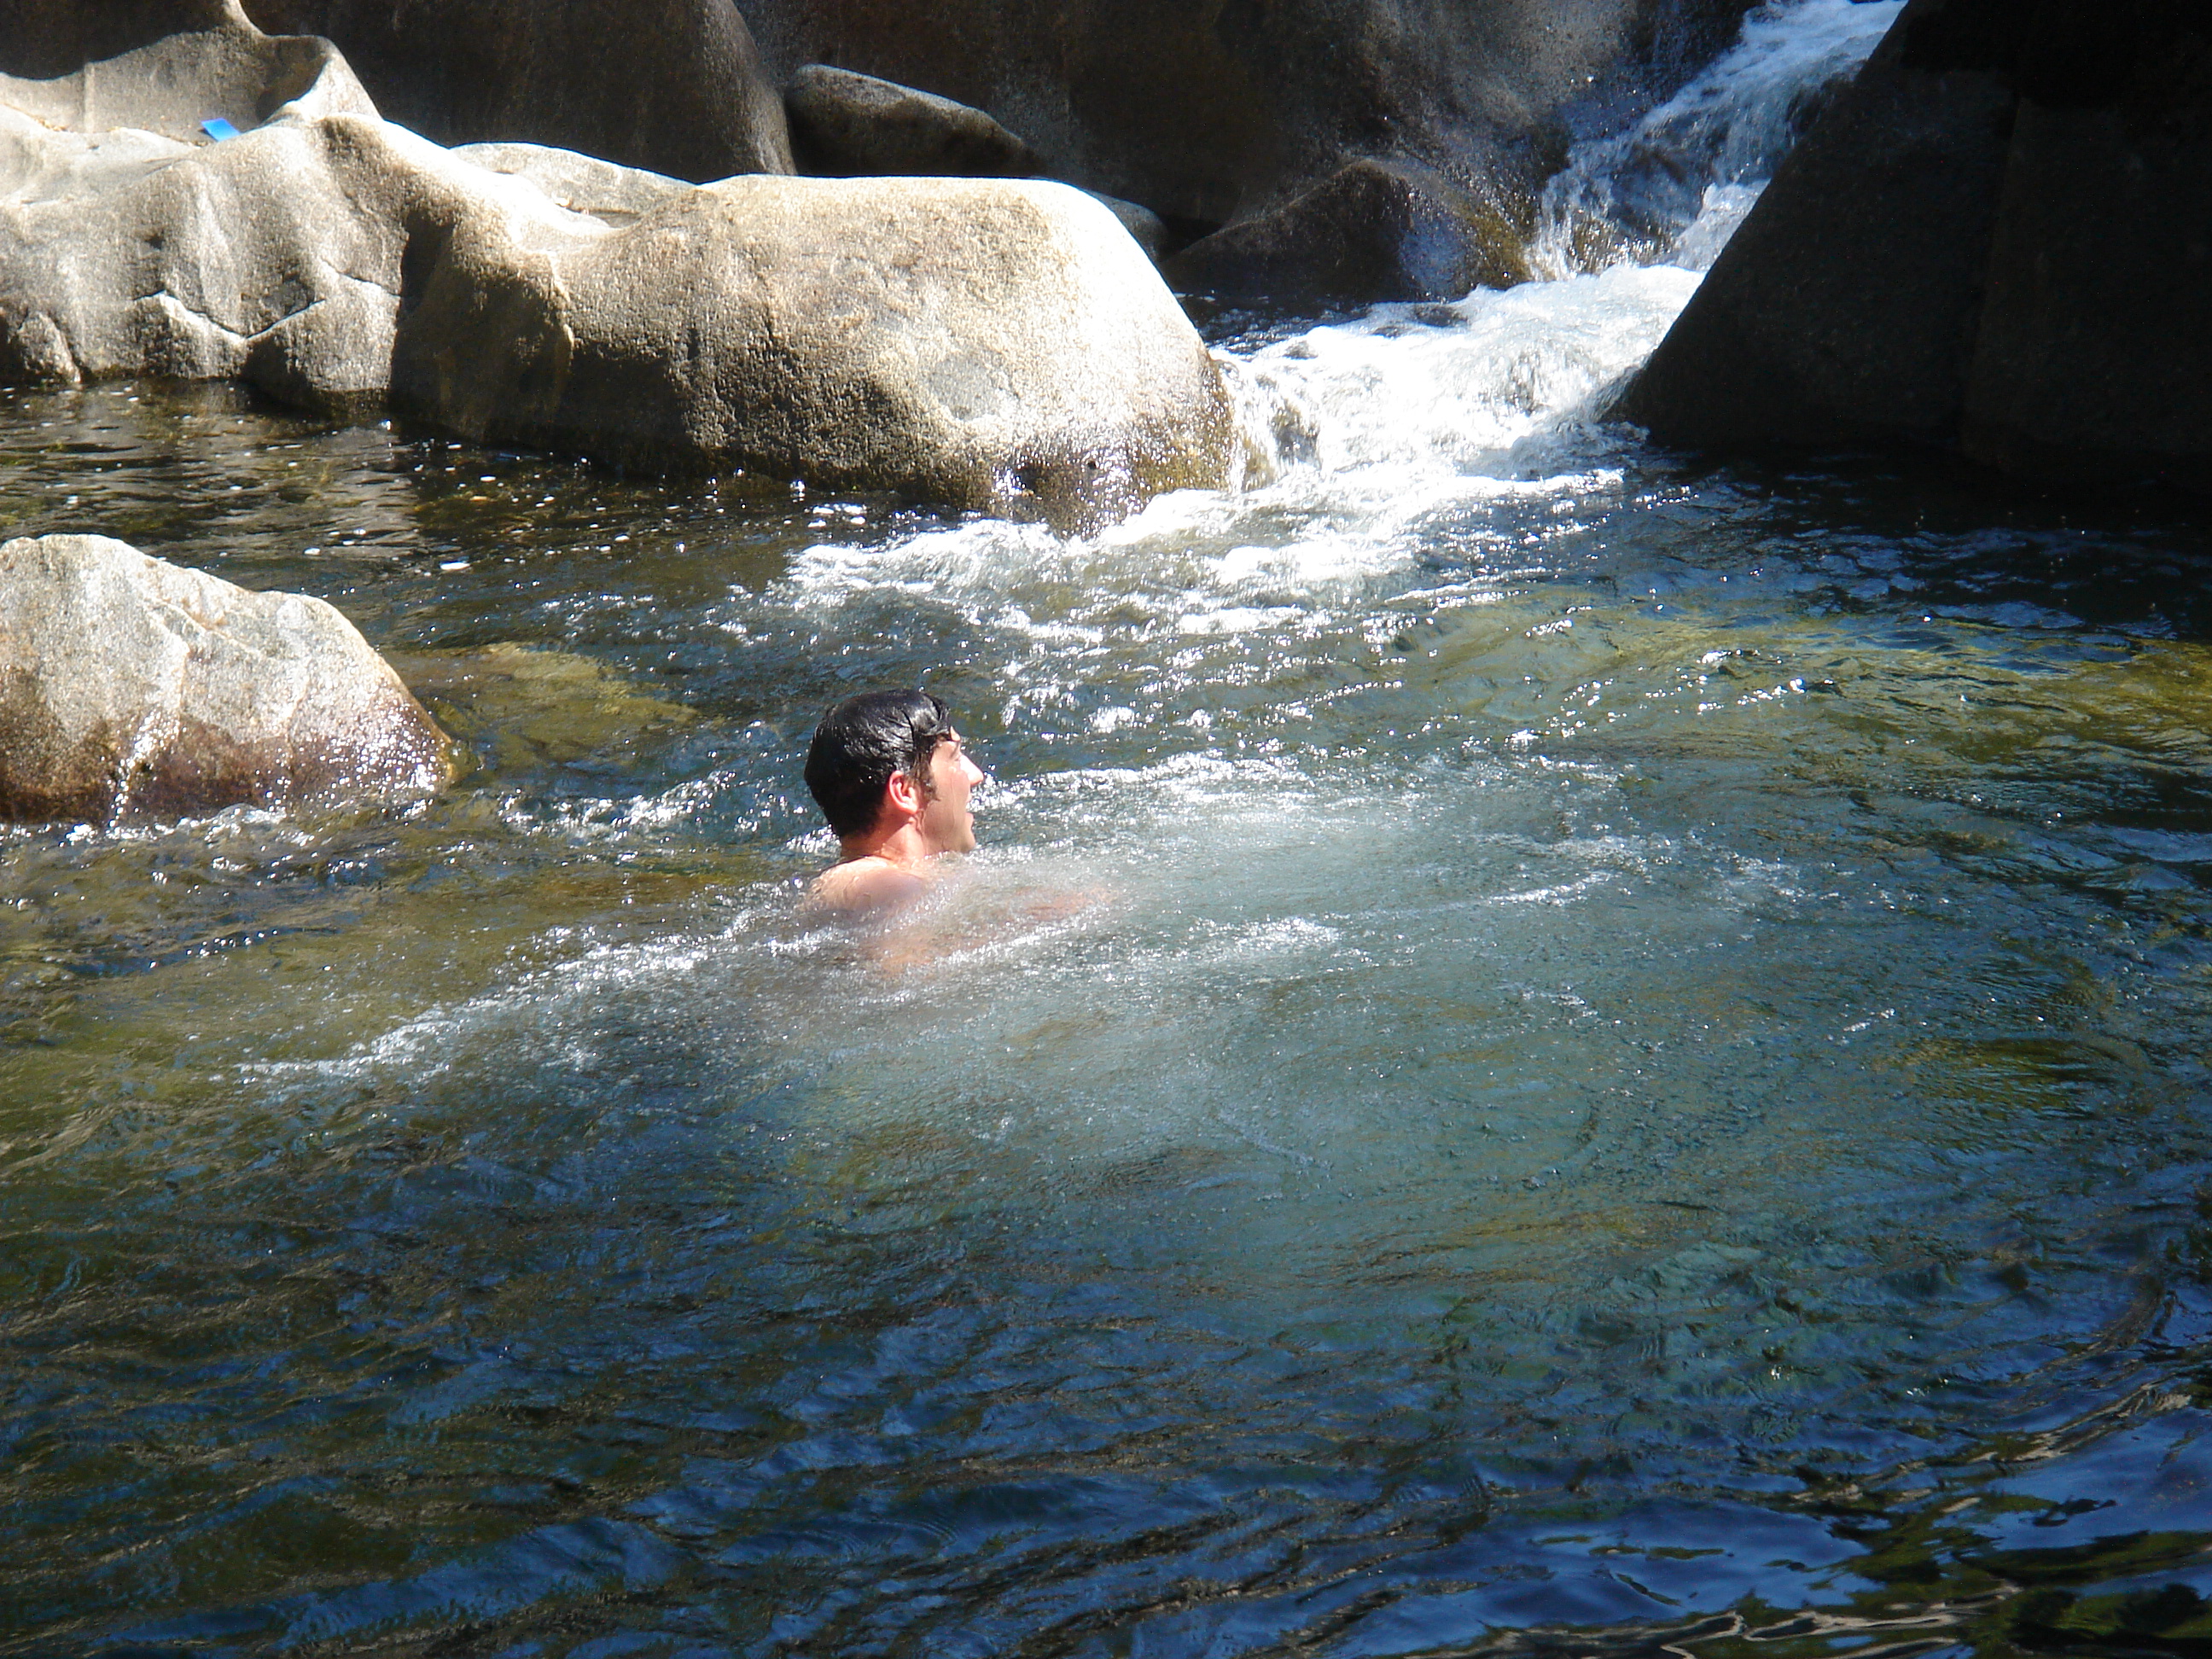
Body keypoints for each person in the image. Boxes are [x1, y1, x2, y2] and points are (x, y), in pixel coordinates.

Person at [801, 688, 987, 921]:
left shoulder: (868, 885)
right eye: (956, 759)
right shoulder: (893, 890)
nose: (976, 775)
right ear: (905, 791)